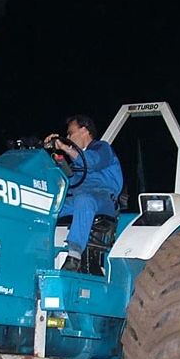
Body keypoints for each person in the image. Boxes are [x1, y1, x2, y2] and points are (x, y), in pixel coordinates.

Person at [45, 114, 123, 272]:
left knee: (85, 199)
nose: (68, 138)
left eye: (70, 133)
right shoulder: (75, 162)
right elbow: (67, 180)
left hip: (102, 198)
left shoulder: (102, 148)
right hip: (77, 198)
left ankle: (74, 255)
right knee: (48, 208)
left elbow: (91, 162)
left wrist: (66, 147)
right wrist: (50, 153)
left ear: (84, 130)